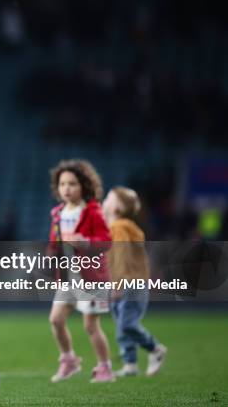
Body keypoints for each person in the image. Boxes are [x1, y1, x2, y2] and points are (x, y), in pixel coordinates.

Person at [47, 159, 115, 383]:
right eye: (62, 184)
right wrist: (52, 252)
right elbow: (54, 242)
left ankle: (105, 368)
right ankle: (69, 361)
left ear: (84, 186)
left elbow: (106, 241)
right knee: (56, 320)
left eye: (72, 184)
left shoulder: (93, 211)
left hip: (91, 277)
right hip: (68, 277)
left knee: (90, 325)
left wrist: (84, 241)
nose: (66, 188)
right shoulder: (57, 213)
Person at [103, 187, 167, 377]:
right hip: (129, 283)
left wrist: (117, 283)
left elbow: (121, 256)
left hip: (128, 283)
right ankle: (130, 364)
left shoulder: (120, 227)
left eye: (109, 198)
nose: (105, 200)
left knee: (126, 324)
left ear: (118, 207)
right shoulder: (121, 227)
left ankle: (155, 348)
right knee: (122, 324)